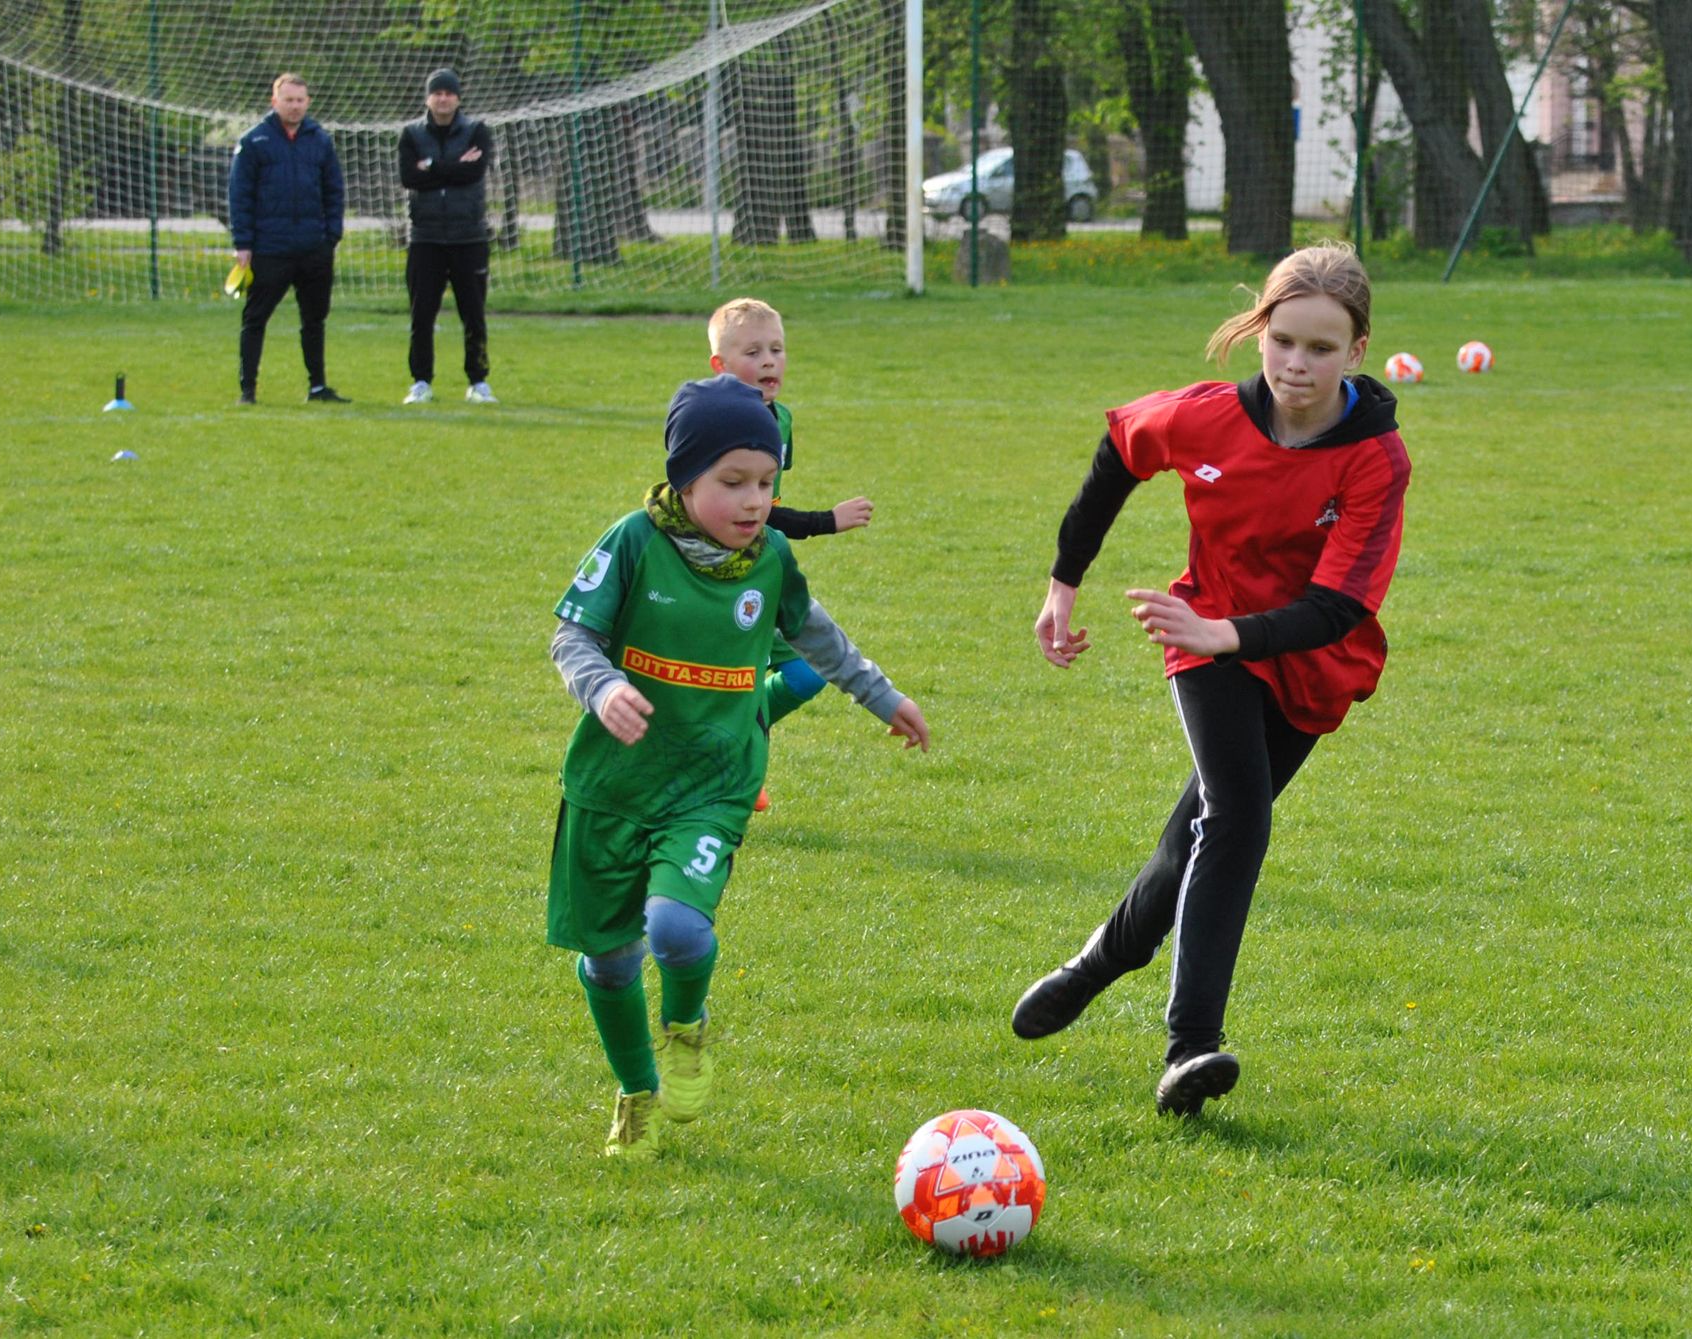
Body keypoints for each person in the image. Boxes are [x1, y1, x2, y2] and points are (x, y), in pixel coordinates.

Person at [1011, 243, 1411, 1117]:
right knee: (1237, 813)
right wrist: (1062, 583)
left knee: (1193, 831)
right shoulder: (1204, 417)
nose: (1296, 365)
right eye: (1284, 339)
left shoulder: (1375, 458)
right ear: (1259, 330)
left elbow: (1339, 605)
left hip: (1308, 662)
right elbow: (1119, 452)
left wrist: (1229, 633)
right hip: (1205, 636)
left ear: (1357, 350)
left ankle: (1101, 960)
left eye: (1321, 347)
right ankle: (1190, 1047)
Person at [547, 374, 930, 1159]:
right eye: (734, 483)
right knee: (610, 959)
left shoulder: (771, 558)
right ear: (683, 478)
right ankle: (636, 1091)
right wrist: (604, 685)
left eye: (767, 482)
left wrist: (879, 694)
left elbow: (818, 637)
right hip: (613, 785)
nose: (756, 501)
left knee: (677, 929)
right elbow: (570, 637)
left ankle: (686, 1026)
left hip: (712, 784)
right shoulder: (631, 541)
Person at [705, 297, 874, 810]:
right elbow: (741, 513)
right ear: (720, 365)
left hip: (759, 574)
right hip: (709, 580)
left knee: (809, 669)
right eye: (753, 351)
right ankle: (731, 770)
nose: (769, 361)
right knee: (726, 682)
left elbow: (764, 508)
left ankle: (735, 752)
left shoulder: (781, 419)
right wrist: (826, 521)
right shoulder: (712, 420)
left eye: (776, 349)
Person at [229, 73, 346, 405]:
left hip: (314, 247)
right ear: (274, 102)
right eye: (288, 100)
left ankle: (318, 387)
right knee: (255, 318)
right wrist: (243, 243)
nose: (294, 106)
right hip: (270, 248)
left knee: (314, 319)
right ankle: (248, 390)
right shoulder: (254, 142)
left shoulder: (320, 140)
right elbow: (240, 196)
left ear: (308, 102)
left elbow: (334, 190)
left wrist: (331, 235)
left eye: (300, 100)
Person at [397, 68, 499, 405]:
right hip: (425, 237)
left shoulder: (476, 131)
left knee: (473, 313)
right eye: (437, 93)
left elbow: (474, 173)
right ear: (428, 97)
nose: (443, 99)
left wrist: (433, 166)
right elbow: (409, 177)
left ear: (458, 97)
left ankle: (478, 381)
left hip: (468, 237)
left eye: (449, 93)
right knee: (421, 314)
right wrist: (452, 165)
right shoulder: (411, 134)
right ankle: (421, 381)